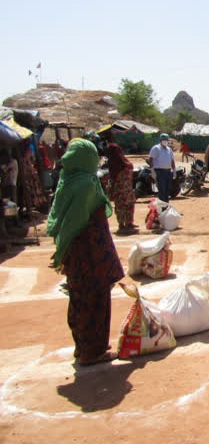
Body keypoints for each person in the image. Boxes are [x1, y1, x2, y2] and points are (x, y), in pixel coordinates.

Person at [46, 139, 124, 365]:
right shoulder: (87, 184)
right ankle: (94, 351)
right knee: (96, 300)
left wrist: (63, 249)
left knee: (79, 298)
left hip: (75, 252)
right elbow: (83, 218)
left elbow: (63, 221)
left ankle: (82, 346)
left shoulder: (67, 180)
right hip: (91, 252)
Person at [105, 143, 137, 234]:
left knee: (120, 206)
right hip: (125, 188)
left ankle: (123, 223)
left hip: (119, 189)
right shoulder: (120, 161)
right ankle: (127, 223)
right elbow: (129, 167)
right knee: (127, 205)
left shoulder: (112, 162)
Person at [19, 139, 47, 214]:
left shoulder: (22, 152)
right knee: (33, 189)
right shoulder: (28, 151)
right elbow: (33, 160)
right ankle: (33, 205)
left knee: (30, 189)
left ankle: (32, 206)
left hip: (26, 172)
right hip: (29, 172)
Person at [148, 133, 175, 202]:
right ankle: (161, 208)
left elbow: (172, 161)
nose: (165, 141)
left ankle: (166, 206)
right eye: (164, 139)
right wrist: (153, 171)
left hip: (168, 172)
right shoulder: (156, 148)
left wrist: (174, 171)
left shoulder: (169, 150)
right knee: (162, 190)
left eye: (166, 139)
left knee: (167, 190)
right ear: (160, 140)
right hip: (160, 172)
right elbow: (150, 160)